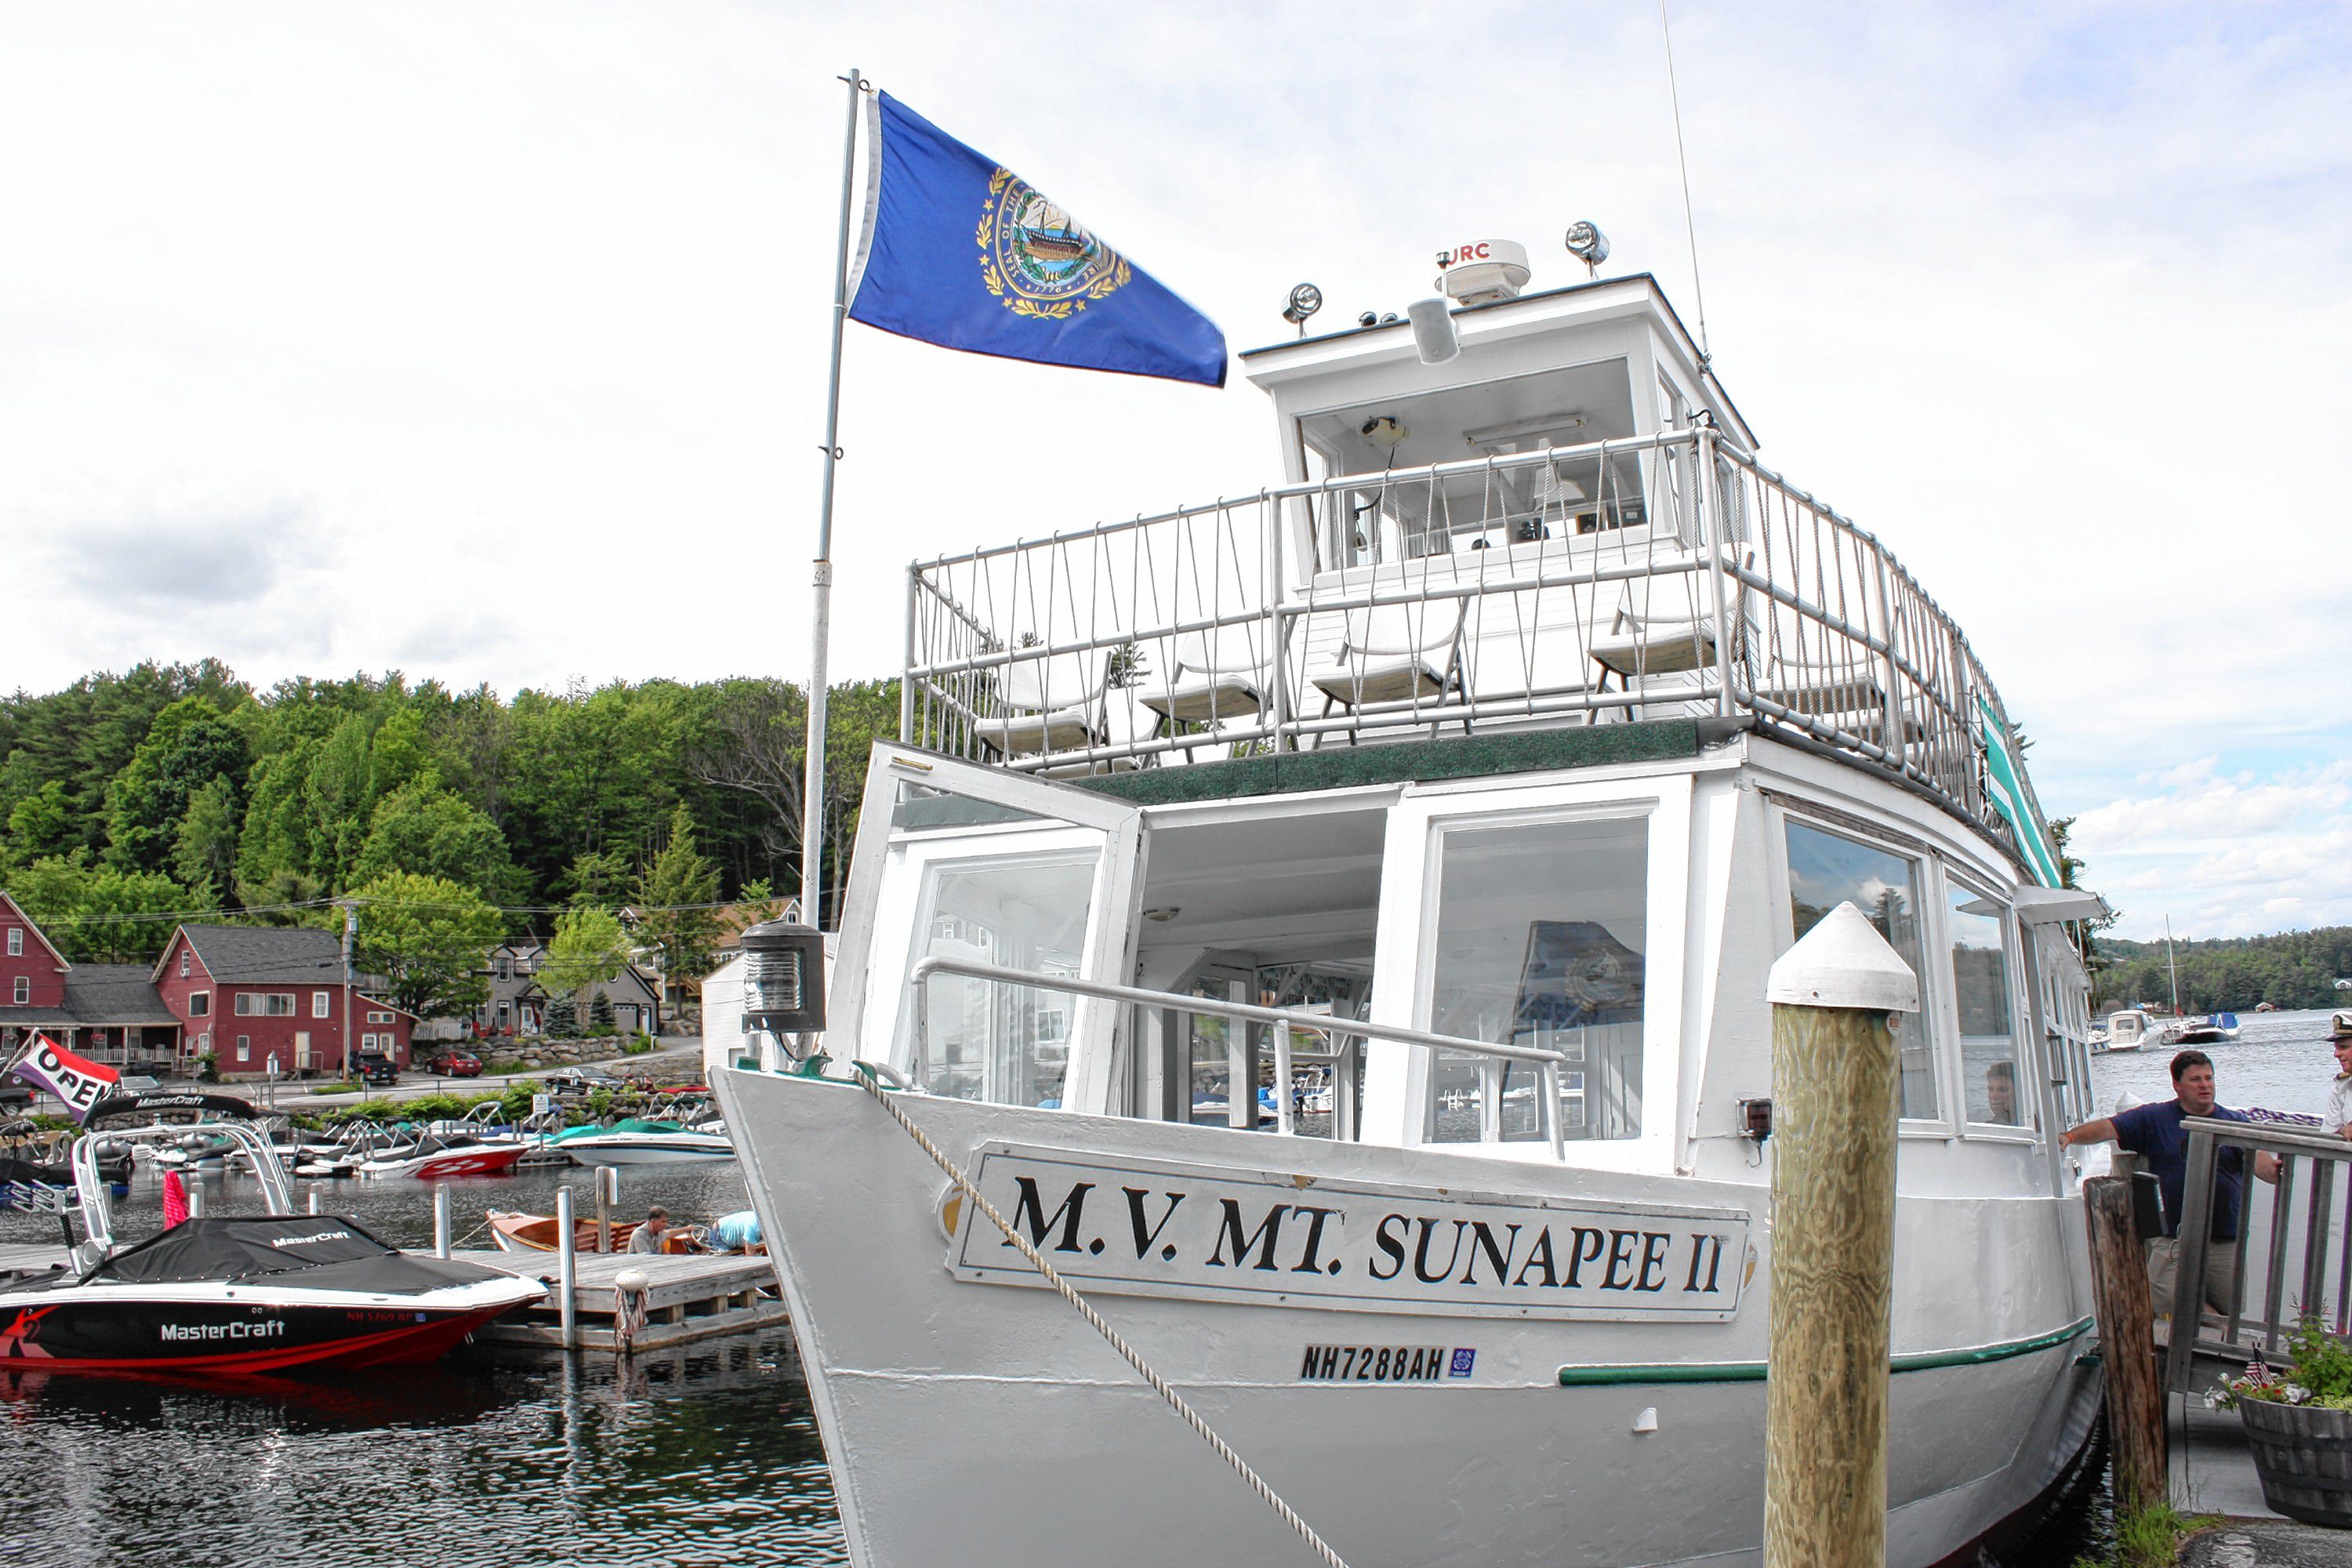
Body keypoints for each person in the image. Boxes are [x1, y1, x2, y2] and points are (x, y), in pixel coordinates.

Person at [2062, 1048, 2279, 1316]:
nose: (2205, 1086)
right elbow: (2108, 1128)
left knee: (2229, 1308)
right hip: (2174, 1237)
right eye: (2196, 1080)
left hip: (2224, 1237)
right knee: (2164, 1292)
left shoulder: (2234, 1122)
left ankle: (2219, 1339)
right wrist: (2070, 1138)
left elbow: (2262, 1164)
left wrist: (2276, 1171)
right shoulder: (2154, 1118)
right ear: (2177, 1085)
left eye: (2209, 1078)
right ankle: (2216, 1328)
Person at [2327, 1013, 2352, 1140]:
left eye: (2343, 1047)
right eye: (2336, 1048)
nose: (2336, 1054)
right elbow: (2329, 1133)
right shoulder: (2342, 1085)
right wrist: (2342, 1130)